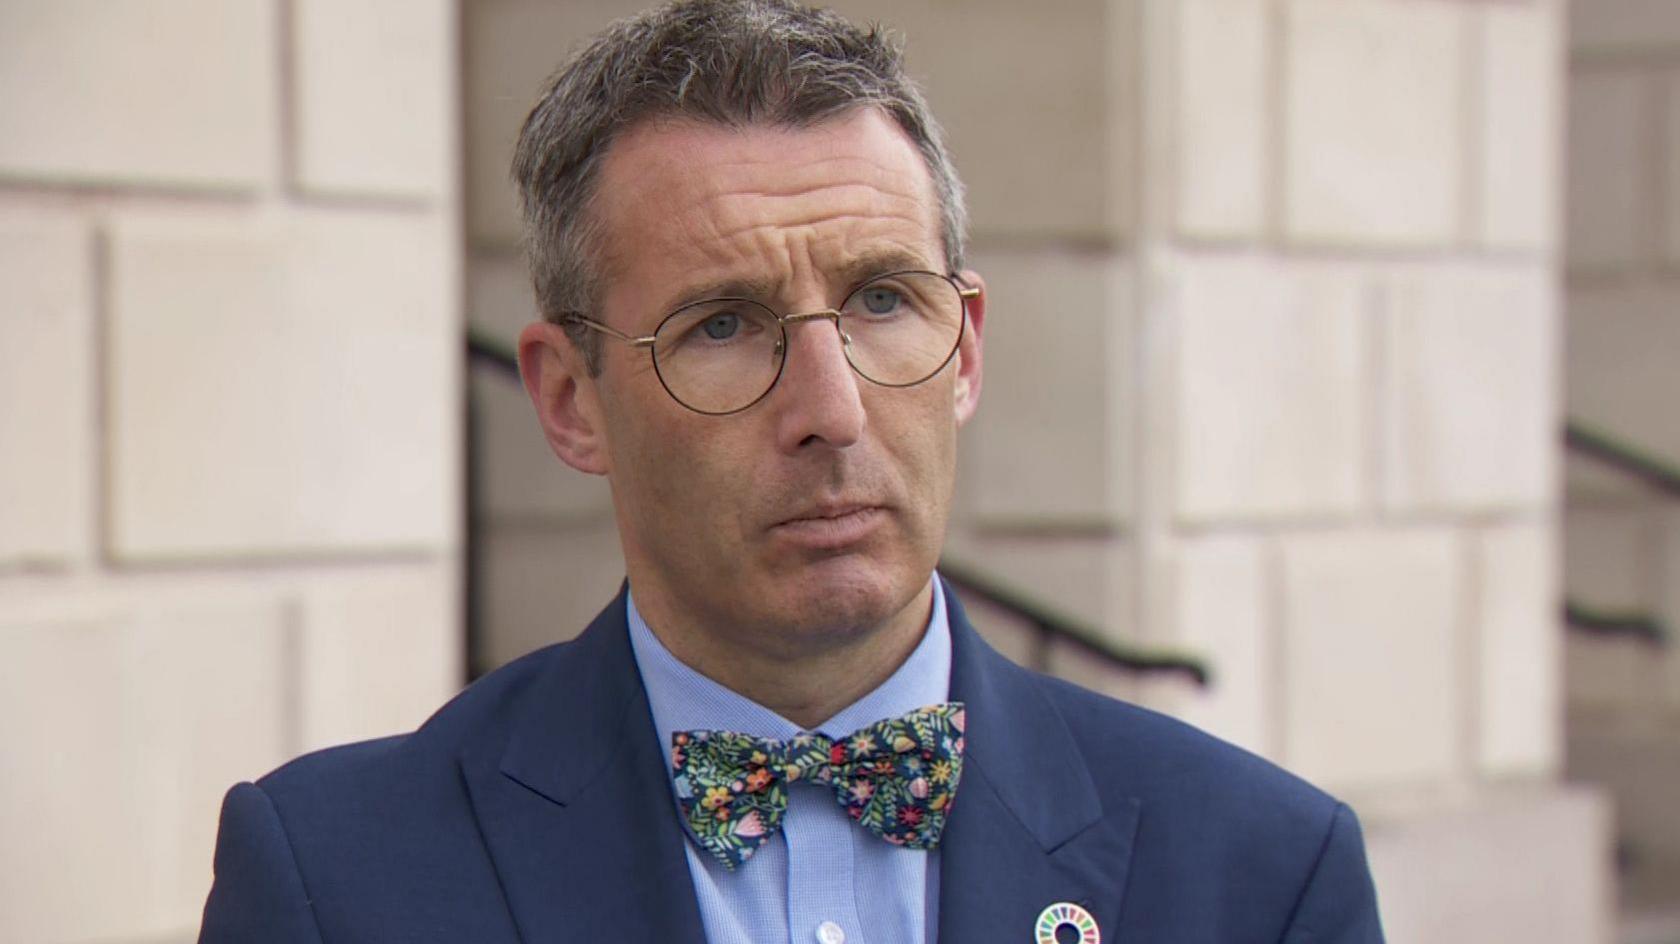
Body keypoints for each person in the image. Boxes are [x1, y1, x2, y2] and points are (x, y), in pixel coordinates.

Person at [198, 1, 1385, 941]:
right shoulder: (337, 879)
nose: (833, 408)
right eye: (721, 325)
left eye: (882, 300)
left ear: (965, 350)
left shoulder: (1259, 870)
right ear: (570, 400)